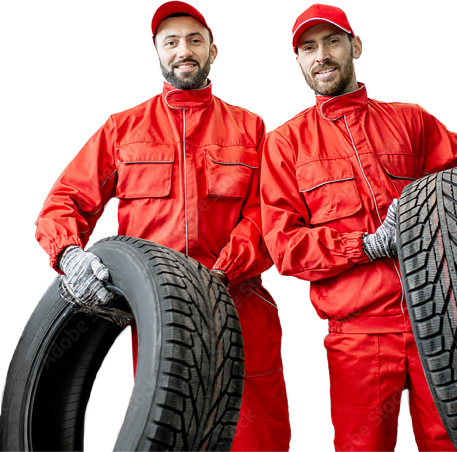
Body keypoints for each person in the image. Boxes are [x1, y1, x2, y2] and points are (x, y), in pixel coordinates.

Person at [260, 4, 457, 451]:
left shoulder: (410, 121)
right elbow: (285, 246)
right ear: (299, 61)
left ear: (355, 46)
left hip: (441, 323)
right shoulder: (285, 145)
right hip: (358, 338)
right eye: (308, 47)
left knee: (456, 444)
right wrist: (367, 245)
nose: (321, 55)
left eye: (332, 41)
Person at [34, 2, 290, 450]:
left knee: (255, 437)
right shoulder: (123, 129)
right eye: (170, 42)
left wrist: (218, 277)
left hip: (241, 306)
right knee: (170, 431)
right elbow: (65, 201)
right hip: (163, 313)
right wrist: (69, 254)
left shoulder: (250, 128)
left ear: (213, 49)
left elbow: (266, 215)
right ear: (157, 52)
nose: (183, 50)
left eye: (194, 39)